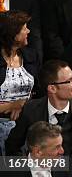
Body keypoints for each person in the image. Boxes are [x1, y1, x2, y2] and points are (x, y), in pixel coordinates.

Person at [5, 59, 72, 173]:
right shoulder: (32, 110)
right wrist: (30, 171)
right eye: (69, 81)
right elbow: (12, 146)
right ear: (52, 88)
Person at [0, 11, 38, 155]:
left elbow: (40, 92)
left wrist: (24, 106)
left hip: (26, 121)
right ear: (12, 34)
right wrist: (12, 105)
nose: (28, 31)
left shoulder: (30, 56)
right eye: (24, 28)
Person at [4, 121, 72, 177]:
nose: (62, 151)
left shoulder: (67, 166)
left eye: (61, 145)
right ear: (38, 152)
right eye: (57, 147)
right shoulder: (9, 172)